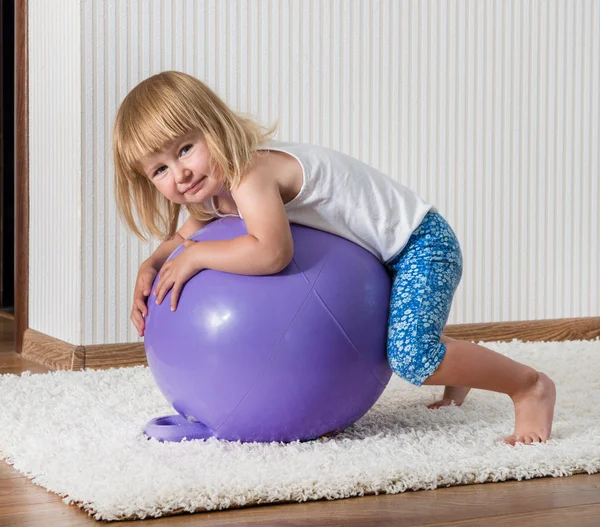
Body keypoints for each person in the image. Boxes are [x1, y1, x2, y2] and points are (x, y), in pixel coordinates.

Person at [113, 71, 556, 446]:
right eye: (160, 170)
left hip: (418, 243)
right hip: (377, 255)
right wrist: (151, 264)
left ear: (214, 126)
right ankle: (457, 368)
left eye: (185, 149)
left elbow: (272, 252)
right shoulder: (212, 191)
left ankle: (528, 386)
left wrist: (197, 259)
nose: (181, 173)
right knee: (416, 341)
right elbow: (184, 233)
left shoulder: (250, 173)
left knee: (410, 355)